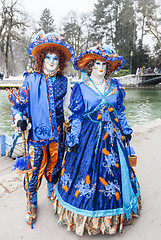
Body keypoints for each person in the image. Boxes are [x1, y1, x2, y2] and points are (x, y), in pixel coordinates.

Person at [52, 44, 141, 236]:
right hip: (88, 138)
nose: (101, 67)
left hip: (112, 138)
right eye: (97, 63)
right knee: (85, 173)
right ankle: (84, 215)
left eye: (104, 64)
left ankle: (115, 214)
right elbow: (76, 116)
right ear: (90, 66)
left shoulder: (115, 86)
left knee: (115, 176)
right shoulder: (81, 88)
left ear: (108, 67)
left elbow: (119, 110)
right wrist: (74, 137)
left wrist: (125, 129)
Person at [12, 30, 75, 225]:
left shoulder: (65, 82)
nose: (51, 61)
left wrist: (76, 121)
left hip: (57, 135)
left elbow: (70, 108)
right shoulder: (30, 79)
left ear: (60, 62)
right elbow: (18, 106)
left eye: (56, 58)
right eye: (48, 57)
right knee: (33, 172)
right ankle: (31, 204)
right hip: (35, 136)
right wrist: (19, 119)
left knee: (55, 168)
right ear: (41, 59)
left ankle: (51, 194)